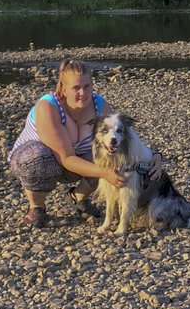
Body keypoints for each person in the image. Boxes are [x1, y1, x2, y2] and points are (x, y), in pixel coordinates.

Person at [9, 59, 163, 227]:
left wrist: (153, 155)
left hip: (78, 161)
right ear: (63, 88)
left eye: (87, 86)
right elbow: (66, 158)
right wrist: (104, 173)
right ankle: (36, 207)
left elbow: (125, 136)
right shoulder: (48, 107)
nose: (83, 93)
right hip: (47, 162)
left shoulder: (100, 105)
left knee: (111, 152)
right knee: (35, 156)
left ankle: (78, 197)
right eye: (76, 88)